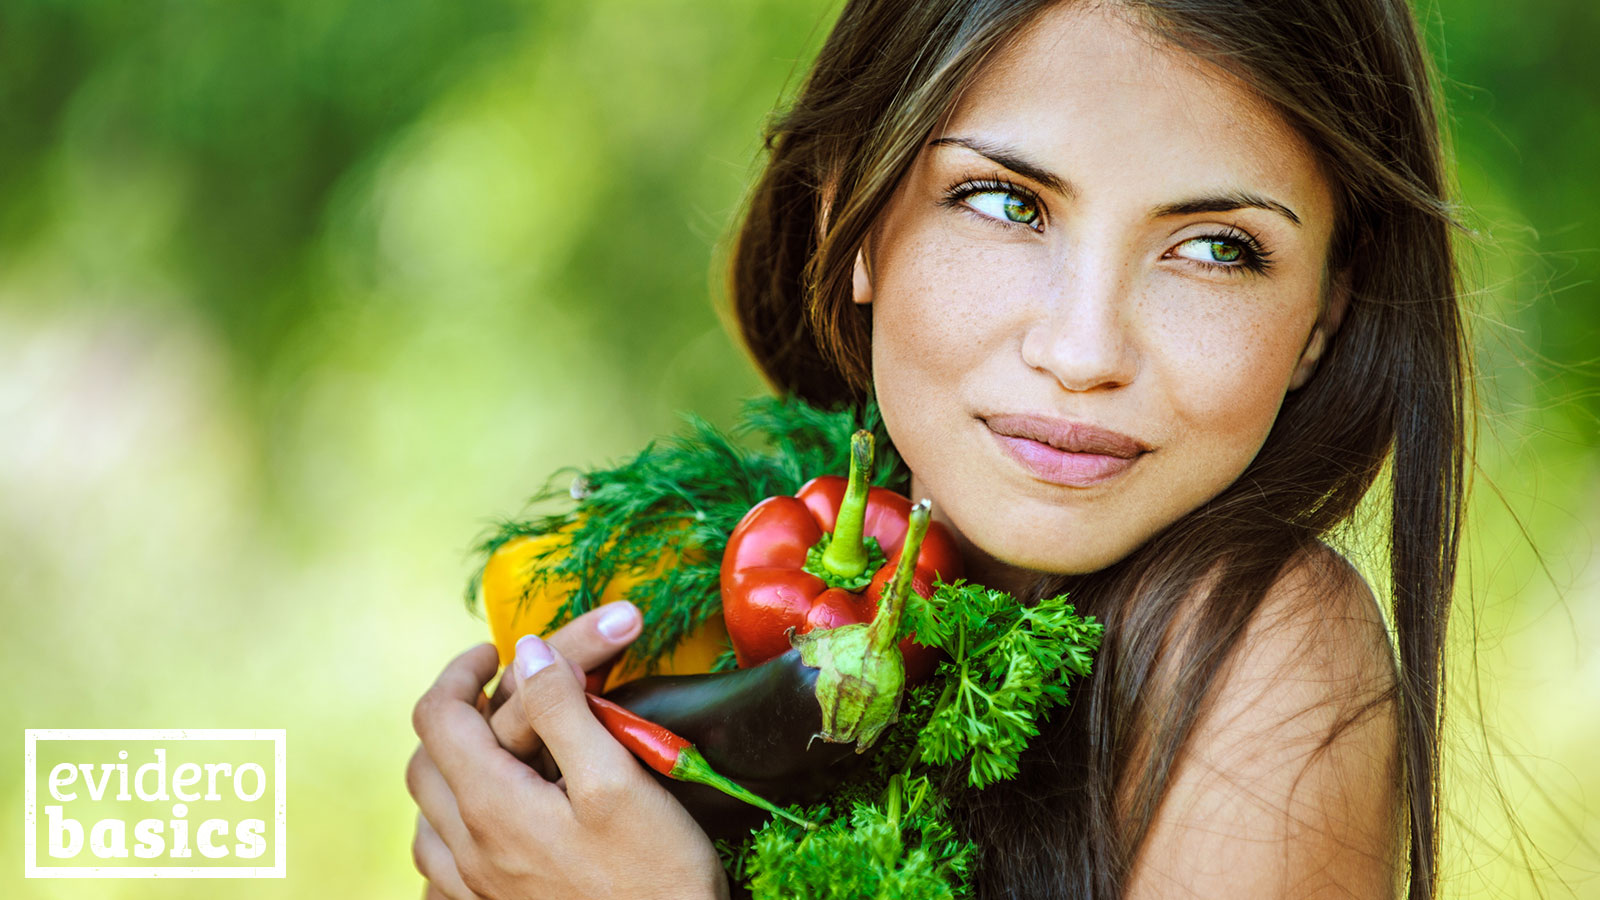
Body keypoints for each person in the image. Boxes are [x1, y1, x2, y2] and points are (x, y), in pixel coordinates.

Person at [406, 0, 1466, 896]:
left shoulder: (1263, 640)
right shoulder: (726, 585)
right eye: (1006, 203)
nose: (1083, 352)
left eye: (1216, 248)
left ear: (1324, 312)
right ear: (854, 221)